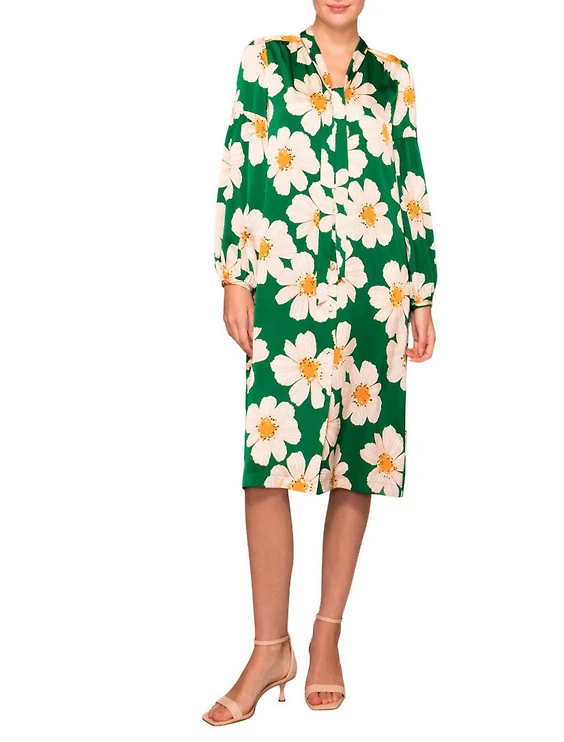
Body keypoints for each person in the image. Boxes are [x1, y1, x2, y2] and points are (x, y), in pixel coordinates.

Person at [204, 0, 437, 726]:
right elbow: (239, 164)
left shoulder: (394, 77)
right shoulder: (265, 60)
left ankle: (326, 636)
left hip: (376, 285)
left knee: (359, 460)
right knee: (267, 459)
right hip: (286, 284)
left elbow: (411, 187)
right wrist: (235, 275)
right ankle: (268, 648)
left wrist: (422, 293)